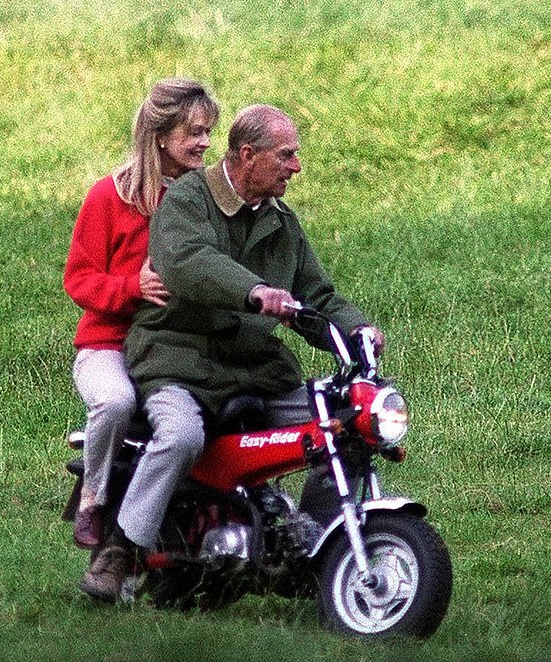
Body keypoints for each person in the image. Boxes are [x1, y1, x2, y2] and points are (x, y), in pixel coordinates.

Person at [79, 104, 385, 601]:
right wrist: (255, 291)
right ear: (248, 155)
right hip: (177, 358)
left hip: (251, 369)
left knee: (351, 418)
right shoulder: (187, 200)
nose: (296, 167)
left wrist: (358, 329)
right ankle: (121, 548)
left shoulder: (281, 223)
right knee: (179, 437)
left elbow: (318, 294)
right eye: (286, 156)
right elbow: (187, 261)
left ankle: (317, 548)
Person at [63, 78, 219, 550]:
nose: (205, 143)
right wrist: (132, 287)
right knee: (114, 402)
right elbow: (79, 279)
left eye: (209, 131)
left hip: (173, 345)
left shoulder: (203, 198)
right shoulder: (109, 196)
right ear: (160, 135)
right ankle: (92, 498)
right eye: (194, 132)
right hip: (108, 344)